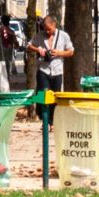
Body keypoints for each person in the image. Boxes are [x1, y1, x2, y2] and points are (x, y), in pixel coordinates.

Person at [26, 13, 74, 146]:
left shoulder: (63, 36)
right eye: (44, 28)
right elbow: (28, 46)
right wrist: (38, 50)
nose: (47, 31)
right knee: (43, 95)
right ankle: (44, 120)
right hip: (43, 70)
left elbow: (71, 51)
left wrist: (58, 53)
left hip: (57, 71)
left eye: (49, 28)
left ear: (54, 25)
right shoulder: (40, 36)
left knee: (55, 97)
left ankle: (53, 122)